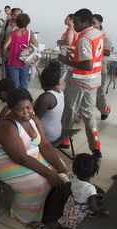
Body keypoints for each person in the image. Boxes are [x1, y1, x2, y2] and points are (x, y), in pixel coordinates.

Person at [0, 88, 68, 223]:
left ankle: (46, 207)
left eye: (28, 107)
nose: (26, 112)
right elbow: (21, 158)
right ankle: (24, 215)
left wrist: (61, 169)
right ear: (11, 109)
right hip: (2, 160)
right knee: (38, 183)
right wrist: (51, 175)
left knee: (60, 166)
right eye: (20, 109)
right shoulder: (8, 127)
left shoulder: (33, 119)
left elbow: (45, 145)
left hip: (28, 154)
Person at [59, 8, 104, 159]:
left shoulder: (84, 38)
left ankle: (64, 139)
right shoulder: (98, 33)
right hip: (94, 81)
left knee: (70, 110)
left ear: (86, 22)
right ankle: (96, 148)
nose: (75, 25)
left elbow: (87, 64)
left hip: (80, 80)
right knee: (89, 114)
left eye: (77, 22)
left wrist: (67, 60)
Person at [58, 154, 107, 229]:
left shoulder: (74, 179)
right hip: (80, 213)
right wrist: (102, 208)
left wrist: (95, 200)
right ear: (94, 171)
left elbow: (83, 195)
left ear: (74, 169)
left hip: (71, 208)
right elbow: (93, 208)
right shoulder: (91, 189)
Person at [3, 13, 38, 89]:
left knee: (15, 83)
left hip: (13, 61)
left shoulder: (13, 34)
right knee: (24, 82)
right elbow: (36, 45)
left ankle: (16, 99)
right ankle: (24, 98)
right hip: (24, 61)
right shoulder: (29, 33)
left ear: (17, 22)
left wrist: (4, 55)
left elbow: (4, 47)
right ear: (27, 23)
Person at [34, 61, 64, 143]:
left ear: (42, 81)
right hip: (57, 132)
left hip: (47, 136)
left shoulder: (46, 98)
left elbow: (34, 120)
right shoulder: (59, 92)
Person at [92, 14, 112, 120]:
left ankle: (105, 110)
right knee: (87, 91)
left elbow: (108, 52)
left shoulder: (105, 36)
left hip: (100, 69)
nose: (92, 25)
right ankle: (80, 113)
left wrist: (93, 47)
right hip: (90, 68)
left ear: (100, 23)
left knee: (99, 92)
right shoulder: (90, 34)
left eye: (94, 23)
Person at [0, 8, 23, 79]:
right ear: (11, 14)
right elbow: (1, 36)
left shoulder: (23, 25)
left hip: (18, 54)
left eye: (18, 15)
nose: (16, 17)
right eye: (14, 15)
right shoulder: (7, 23)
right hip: (7, 52)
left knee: (16, 75)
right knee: (6, 73)